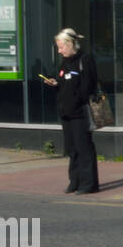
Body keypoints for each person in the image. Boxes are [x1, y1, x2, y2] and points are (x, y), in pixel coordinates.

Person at [41, 28, 100, 194]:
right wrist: (55, 83)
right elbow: (64, 81)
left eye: (61, 47)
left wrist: (76, 99)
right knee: (72, 149)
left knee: (84, 148)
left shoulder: (85, 60)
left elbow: (88, 86)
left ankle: (89, 184)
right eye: (58, 48)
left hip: (80, 112)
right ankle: (75, 181)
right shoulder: (65, 62)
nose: (59, 51)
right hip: (66, 113)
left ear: (70, 44)